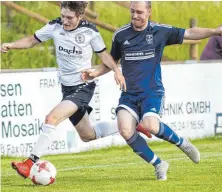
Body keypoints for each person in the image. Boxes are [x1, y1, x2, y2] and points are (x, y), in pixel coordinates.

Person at [82, 1, 222, 181]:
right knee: (125, 129)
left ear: (149, 12)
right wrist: (96, 72)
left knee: (150, 124)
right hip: (129, 95)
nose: (135, 15)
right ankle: (158, 163)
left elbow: (190, 32)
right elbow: (112, 61)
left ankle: (182, 143)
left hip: (152, 92)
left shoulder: (160, 31)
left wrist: (214, 31)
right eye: (132, 11)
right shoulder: (120, 35)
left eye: (139, 12)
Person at [1, 1, 129, 179]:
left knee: (51, 118)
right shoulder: (54, 26)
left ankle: (29, 163)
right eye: (63, 16)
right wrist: (12, 45)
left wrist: (117, 71)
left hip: (83, 86)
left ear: (80, 16)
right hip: (67, 89)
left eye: (69, 17)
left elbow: (104, 55)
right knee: (88, 135)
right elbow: (31, 40)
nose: (65, 21)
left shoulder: (89, 31)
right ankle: (131, 125)